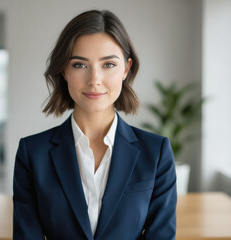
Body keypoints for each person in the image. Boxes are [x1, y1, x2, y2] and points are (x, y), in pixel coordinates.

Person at [13, 10, 177, 240]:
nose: (94, 80)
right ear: (64, 70)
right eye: (80, 65)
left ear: (126, 69)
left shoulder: (156, 152)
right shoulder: (32, 153)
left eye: (108, 64)